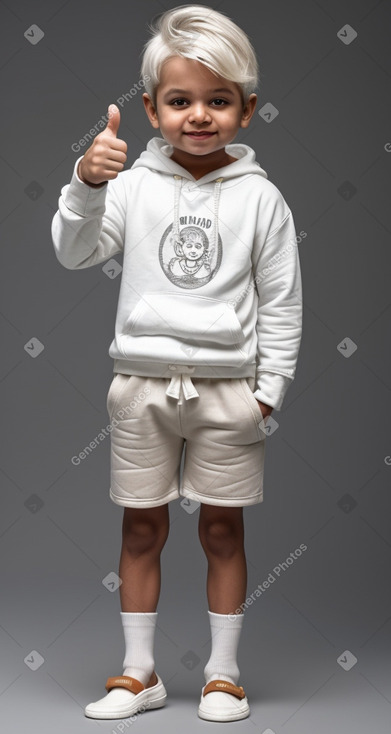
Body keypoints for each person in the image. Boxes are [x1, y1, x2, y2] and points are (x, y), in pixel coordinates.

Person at [51, 4, 303, 723]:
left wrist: (268, 393)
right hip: (140, 389)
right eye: (181, 100)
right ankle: (139, 672)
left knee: (223, 530)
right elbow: (74, 252)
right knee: (140, 529)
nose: (199, 115)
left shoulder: (262, 201)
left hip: (230, 393)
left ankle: (223, 673)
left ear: (247, 110)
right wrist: (85, 183)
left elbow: (281, 303)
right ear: (151, 108)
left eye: (218, 101)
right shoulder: (129, 185)